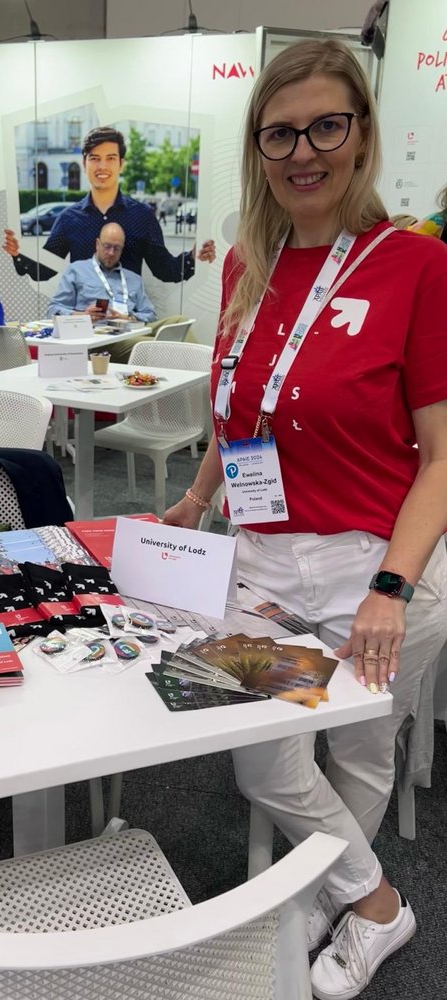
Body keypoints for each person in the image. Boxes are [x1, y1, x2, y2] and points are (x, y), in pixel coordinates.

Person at [163, 39, 447, 999]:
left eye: (327, 126)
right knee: (263, 762)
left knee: (362, 753)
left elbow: (442, 457)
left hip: (377, 568)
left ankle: (327, 900)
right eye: (279, 133)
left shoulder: (417, 266)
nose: (303, 151)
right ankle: (376, 901)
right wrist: (197, 497)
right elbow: (244, 415)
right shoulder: (250, 263)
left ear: (361, 134)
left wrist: (392, 587)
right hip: (263, 562)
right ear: (259, 147)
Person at [2, 125, 216, 283]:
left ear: (121, 164)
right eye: (95, 158)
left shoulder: (142, 216)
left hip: (127, 319)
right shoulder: (68, 219)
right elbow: (44, 271)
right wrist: (18, 253)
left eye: (111, 158)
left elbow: (165, 270)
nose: (102, 166)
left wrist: (194, 256)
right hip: (82, 320)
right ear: (84, 163)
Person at [46, 222, 156, 324]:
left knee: (165, 325)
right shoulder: (76, 270)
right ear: (97, 244)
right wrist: (83, 316)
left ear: (122, 250)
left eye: (117, 248)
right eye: (107, 246)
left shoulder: (134, 279)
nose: (111, 253)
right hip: (92, 332)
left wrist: (128, 318)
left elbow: (151, 315)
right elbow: (53, 310)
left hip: (127, 332)